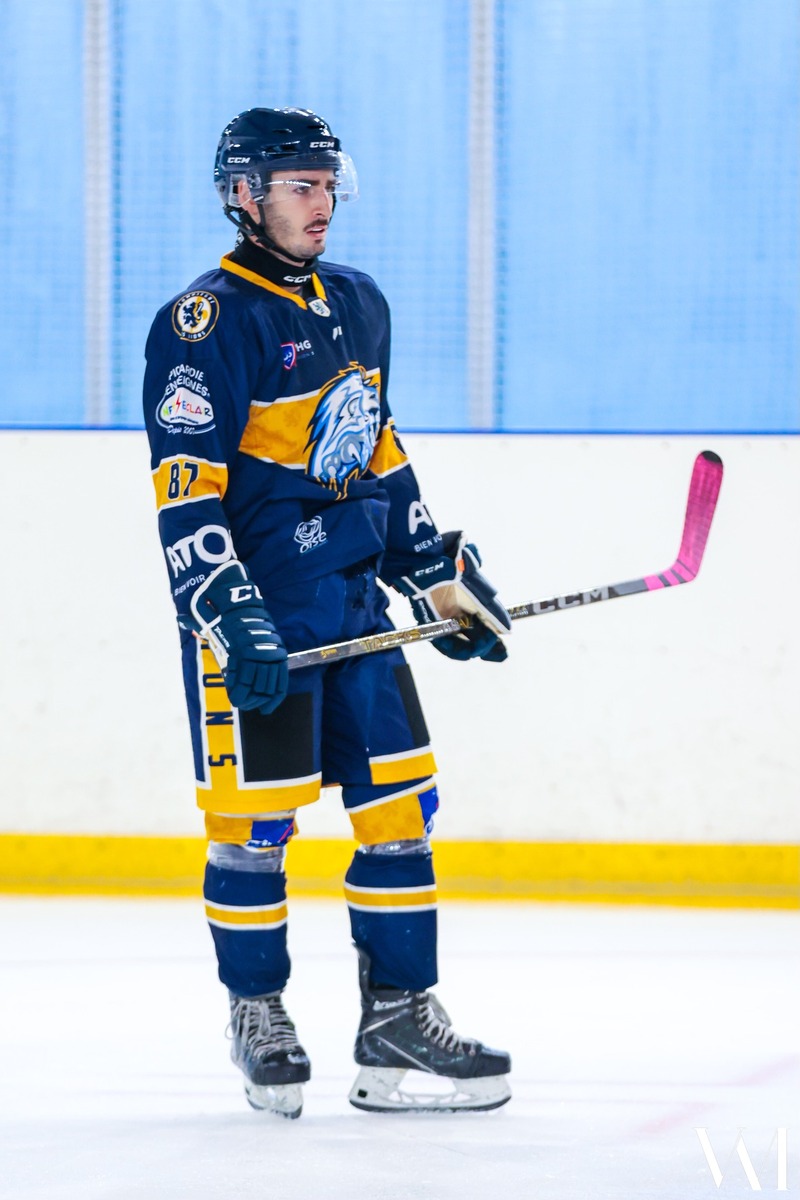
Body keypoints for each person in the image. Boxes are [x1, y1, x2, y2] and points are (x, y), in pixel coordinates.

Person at [143, 107, 513, 1119]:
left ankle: (397, 1017)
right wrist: (230, 616)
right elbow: (185, 491)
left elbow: (376, 451)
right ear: (243, 195)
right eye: (299, 185)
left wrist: (433, 576)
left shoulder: (357, 301)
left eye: (326, 183)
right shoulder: (206, 323)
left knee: (401, 811)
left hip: (356, 607)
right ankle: (257, 1013)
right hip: (261, 620)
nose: (322, 203)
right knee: (254, 827)